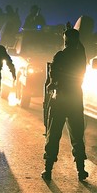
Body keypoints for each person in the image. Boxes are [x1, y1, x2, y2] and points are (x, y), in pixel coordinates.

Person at [41, 28, 88, 181]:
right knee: (77, 136)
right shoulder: (80, 57)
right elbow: (80, 47)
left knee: (53, 134)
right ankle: (81, 171)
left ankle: (48, 170)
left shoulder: (60, 56)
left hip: (60, 99)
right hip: (75, 99)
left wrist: (51, 86)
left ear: (65, 40)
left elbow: (52, 78)